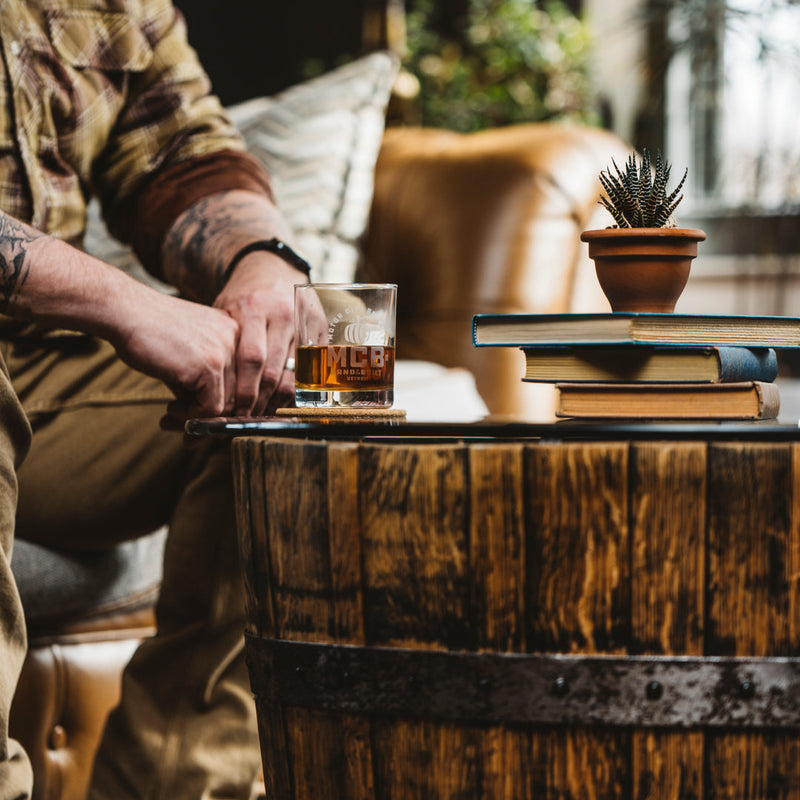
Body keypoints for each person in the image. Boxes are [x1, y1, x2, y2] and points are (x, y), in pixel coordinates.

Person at [0, 2, 311, 798]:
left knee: (281, 404)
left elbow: (178, 148)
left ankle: (177, 784)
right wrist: (122, 303)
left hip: (35, 361)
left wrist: (260, 260)